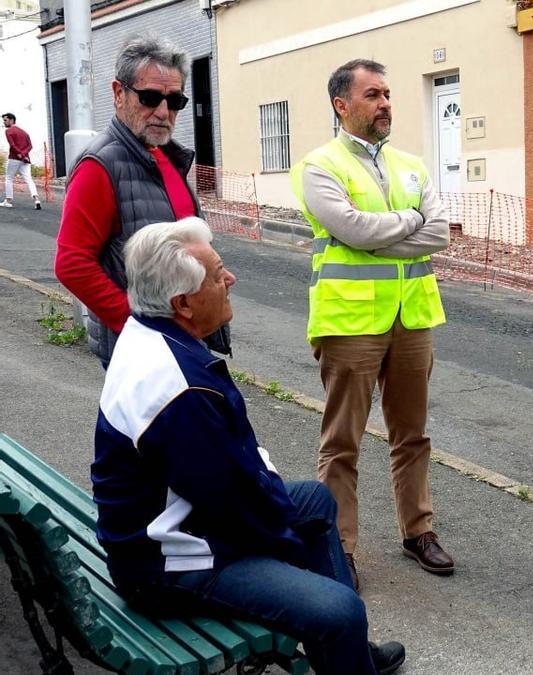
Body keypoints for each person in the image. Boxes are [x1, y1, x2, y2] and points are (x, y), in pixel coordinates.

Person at [92, 217, 406, 674]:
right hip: (163, 565)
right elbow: (234, 506)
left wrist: (278, 514)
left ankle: (344, 652)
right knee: (339, 609)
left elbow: (231, 479)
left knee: (316, 501)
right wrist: (286, 545)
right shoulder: (181, 390)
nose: (230, 279)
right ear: (182, 303)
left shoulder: (149, 334)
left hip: (175, 523)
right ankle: (342, 641)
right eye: (218, 274)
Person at [292, 58, 453, 589]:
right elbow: (350, 228)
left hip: (412, 317)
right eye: (373, 95)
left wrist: (382, 232)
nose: (385, 103)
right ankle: (338, 549)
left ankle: (418, 531)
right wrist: (409, 223)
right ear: (342, 104)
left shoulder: (412, 165)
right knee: (343, 442)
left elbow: (440, 235)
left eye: (388, 93)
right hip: (350, 322)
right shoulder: (320, 164)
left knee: (413, 435)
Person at [54, 34, 230, 368]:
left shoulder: (165, 157)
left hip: (184, 340)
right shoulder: (100, 166)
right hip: (143, 351)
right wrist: (137, 326)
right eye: (150, 98)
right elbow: (71, 263)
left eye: (175, 101)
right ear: (119, 93)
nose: (163, 112)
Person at [2, 112, 41, 210]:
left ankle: (8, 200)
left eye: (5, 120)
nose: (4, 122)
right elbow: (30, 146)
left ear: (11, 120)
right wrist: (24, 155)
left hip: (14, 158)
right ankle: (36, 199)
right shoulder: (24, 132)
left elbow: (12, 145)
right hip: (25, 159)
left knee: (9, 178)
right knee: (29, 179)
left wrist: (20, 154)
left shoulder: (9, 131)